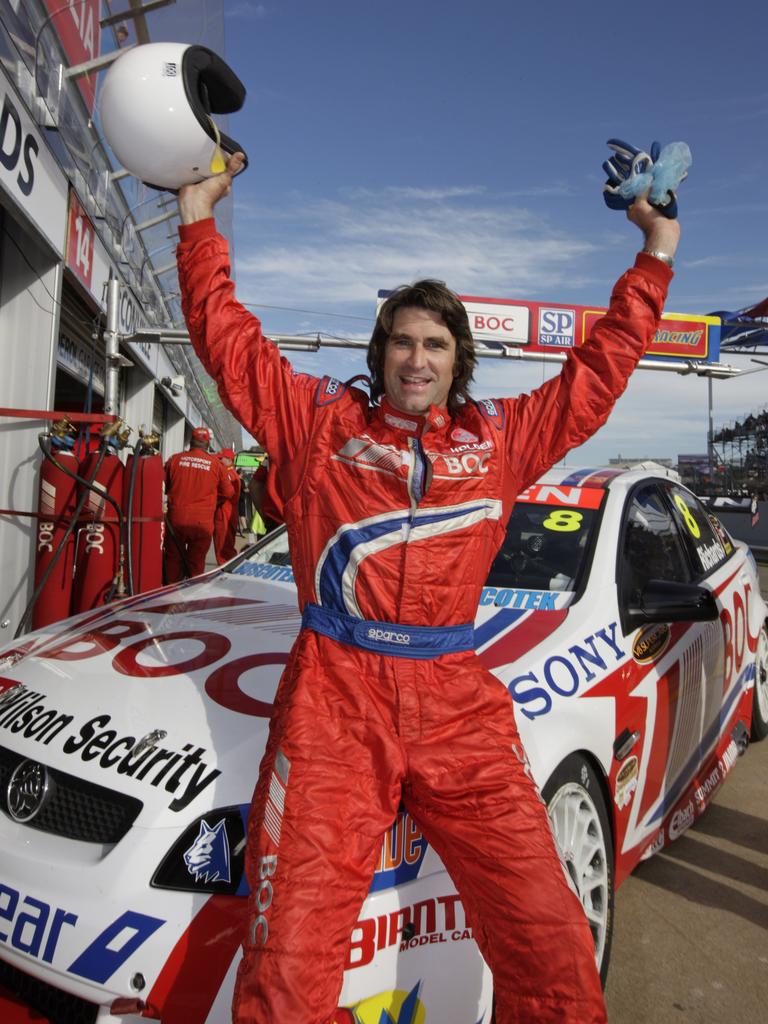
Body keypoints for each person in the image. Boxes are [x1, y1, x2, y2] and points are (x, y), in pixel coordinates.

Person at [176, 151, 679, 1024]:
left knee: (551, 942)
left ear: (459, 360)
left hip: (458, 703)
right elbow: (226, 335)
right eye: (402, 340)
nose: (417, 357)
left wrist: (656, 250)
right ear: (380, 353)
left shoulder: (506, 438)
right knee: (287, 971)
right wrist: (196, 217)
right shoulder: (316, 424)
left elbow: (599, 374)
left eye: (436, 344)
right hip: (336, 697)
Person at [164, 426, 234, 581]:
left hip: (176, 516)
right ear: (208, 445)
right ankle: (192, 594)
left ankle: (169, 595)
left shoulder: (174, 459)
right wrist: (213, 501)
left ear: (190, 442)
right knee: (196, 563)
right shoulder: (216, 465)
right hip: (202, 520)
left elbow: (166, 485)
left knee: (173, 559)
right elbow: (229, 492)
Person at [213, 446, 242, 562]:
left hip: (225, 512)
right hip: (227, 512)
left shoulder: (228, 474)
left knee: (223, 549)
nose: (219, 461)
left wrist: (212, 502)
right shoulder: (231, 473)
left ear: (229, 460)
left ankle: (226, 574)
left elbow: (227, 493)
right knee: (225, 547)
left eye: (221, 458)